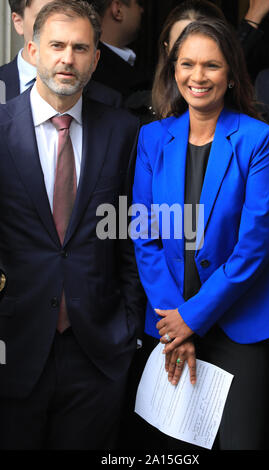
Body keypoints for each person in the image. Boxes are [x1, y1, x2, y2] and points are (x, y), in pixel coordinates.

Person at [131, 18, 269, 450]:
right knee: (175, 449)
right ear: (173, 70)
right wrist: (174, 322)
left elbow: (254, 247)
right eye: (187, 64)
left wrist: (193, 317)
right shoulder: (152, 138)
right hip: (171, 319)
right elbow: (143, 235)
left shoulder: (258, 140)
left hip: (242, 325)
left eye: (211, 66)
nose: (197, 77)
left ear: (232, 75)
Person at [0, 0, 144, 450]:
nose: (68, 58)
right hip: (14, 348)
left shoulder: (123, 131)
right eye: (57, 45)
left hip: (97, 352)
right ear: (32, 49)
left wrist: (128, 326)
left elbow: (129, 233)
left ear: (96, 58)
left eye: (81, 48)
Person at [0, 0, 122, 106]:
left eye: (68, 15)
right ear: (18, 22)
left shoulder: (107, 99)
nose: (61, 25)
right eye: (44, 16)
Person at [151, 0, 225, 119]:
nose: (192, 53)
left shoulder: (252, 128)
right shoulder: (141, 117)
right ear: (167, 49)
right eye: (180, 45)